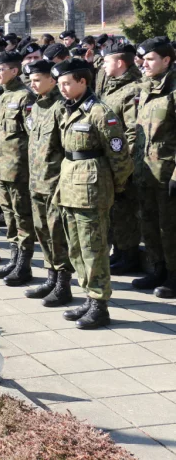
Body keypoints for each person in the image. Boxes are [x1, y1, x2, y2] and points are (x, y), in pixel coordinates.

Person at [52, 58, 132, 328]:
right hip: (70, 186)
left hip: (92, 191)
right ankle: (88, 295)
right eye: (60, 84)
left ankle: (100, 304)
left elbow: (120, 155)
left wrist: (116, 187)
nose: (62, 88)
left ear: (82, 82)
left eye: (66, 83)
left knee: (94, 248)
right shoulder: (69, 110)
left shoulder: (100, 113)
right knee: (76, 248)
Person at [23, 60, 73, 306]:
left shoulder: (60, 107)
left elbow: (68, 147)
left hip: (54, 182)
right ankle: (51, 276)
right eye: (31, 80)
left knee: (57, 233)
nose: (32, 84)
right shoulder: (37, 106)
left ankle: (64, 283)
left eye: (36, 80)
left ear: (52, 80)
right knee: (42, 231)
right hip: (37, 179)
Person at [132, 37, 176, 295]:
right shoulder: (148, 87)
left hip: (167, 173)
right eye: (143, 59)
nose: (144, 64)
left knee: (169, 227)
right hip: (145, 170)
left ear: (167, 60)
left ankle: (173, 275)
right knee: (148, 223)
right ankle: (157, 269)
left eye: (150, 59)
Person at [0, 50, 35, 282]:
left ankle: (24, 264)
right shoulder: (5, 95)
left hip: (18, 168)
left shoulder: (26, 97)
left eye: (1, 70)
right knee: (8, 215)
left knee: (22, 215)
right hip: (2, 166)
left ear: (14, 71)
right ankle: (14, 258)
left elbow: (32, 136)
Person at [99, 41, 143, 276]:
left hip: (122, 162)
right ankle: (120, 251)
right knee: (115, 210)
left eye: (106, 61)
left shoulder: (132, 89)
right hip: (109, 160)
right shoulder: (114, 87)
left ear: (119, 63)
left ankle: (129, 254)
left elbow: (132, 131)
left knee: (126, 209)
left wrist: (124, 165)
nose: (103, 65)